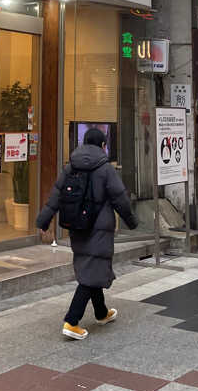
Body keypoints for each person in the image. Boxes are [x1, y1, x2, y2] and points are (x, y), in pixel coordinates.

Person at [36, 127, 137, 339]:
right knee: (92, 269)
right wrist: (132, 221)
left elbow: (56, 195)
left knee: (92, 265)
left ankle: (101, 312)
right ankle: (72, 321)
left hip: (76, 226)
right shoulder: (106, 169)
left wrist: (44, 219)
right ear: (102, 145)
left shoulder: (70, 166)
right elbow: (120, 198)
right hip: (99, 228)